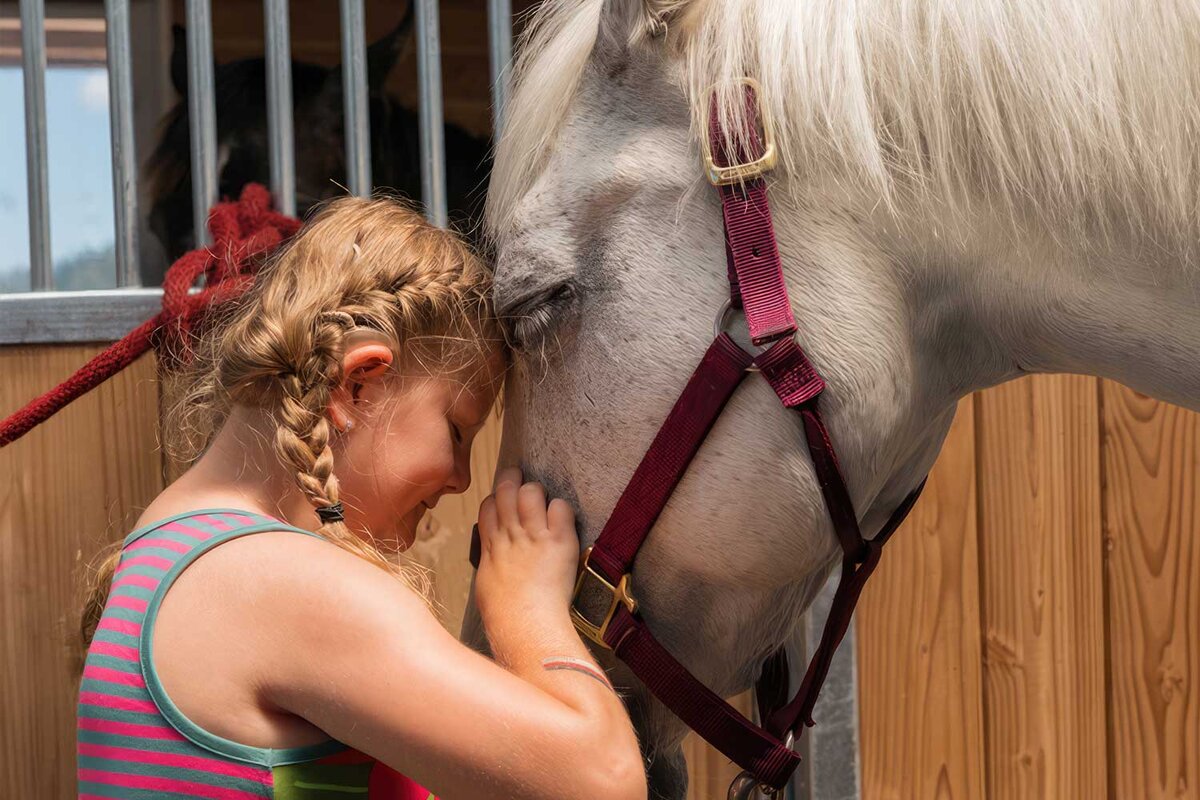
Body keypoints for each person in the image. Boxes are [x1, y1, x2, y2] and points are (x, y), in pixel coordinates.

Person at [75, 196, 647, 800]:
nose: (459, 479)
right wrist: (526, 608)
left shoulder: (165, 542)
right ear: (358, 384)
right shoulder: (282, 584)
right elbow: (604, 783)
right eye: (456, 430)